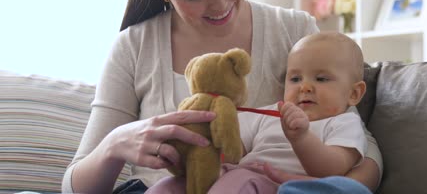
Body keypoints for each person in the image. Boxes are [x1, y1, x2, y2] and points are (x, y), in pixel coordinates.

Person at [61, 0, 382, 193]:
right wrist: (116, 144)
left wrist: (327, 188)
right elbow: (73, 186)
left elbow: (359, 143)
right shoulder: (134, 47)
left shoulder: (295, 31)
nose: (220, 4)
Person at [147, 32, 373, 194]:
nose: (304, 87)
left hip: (272, 185)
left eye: (321, 79)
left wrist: (301, 138)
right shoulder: (270, 113)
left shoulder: (344, 123)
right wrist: (200, 133)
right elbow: (231, 147)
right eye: (295, 79)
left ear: (354, 94)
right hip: (231, 174)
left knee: (239, 180)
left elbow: (332, 170)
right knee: (170, 186)